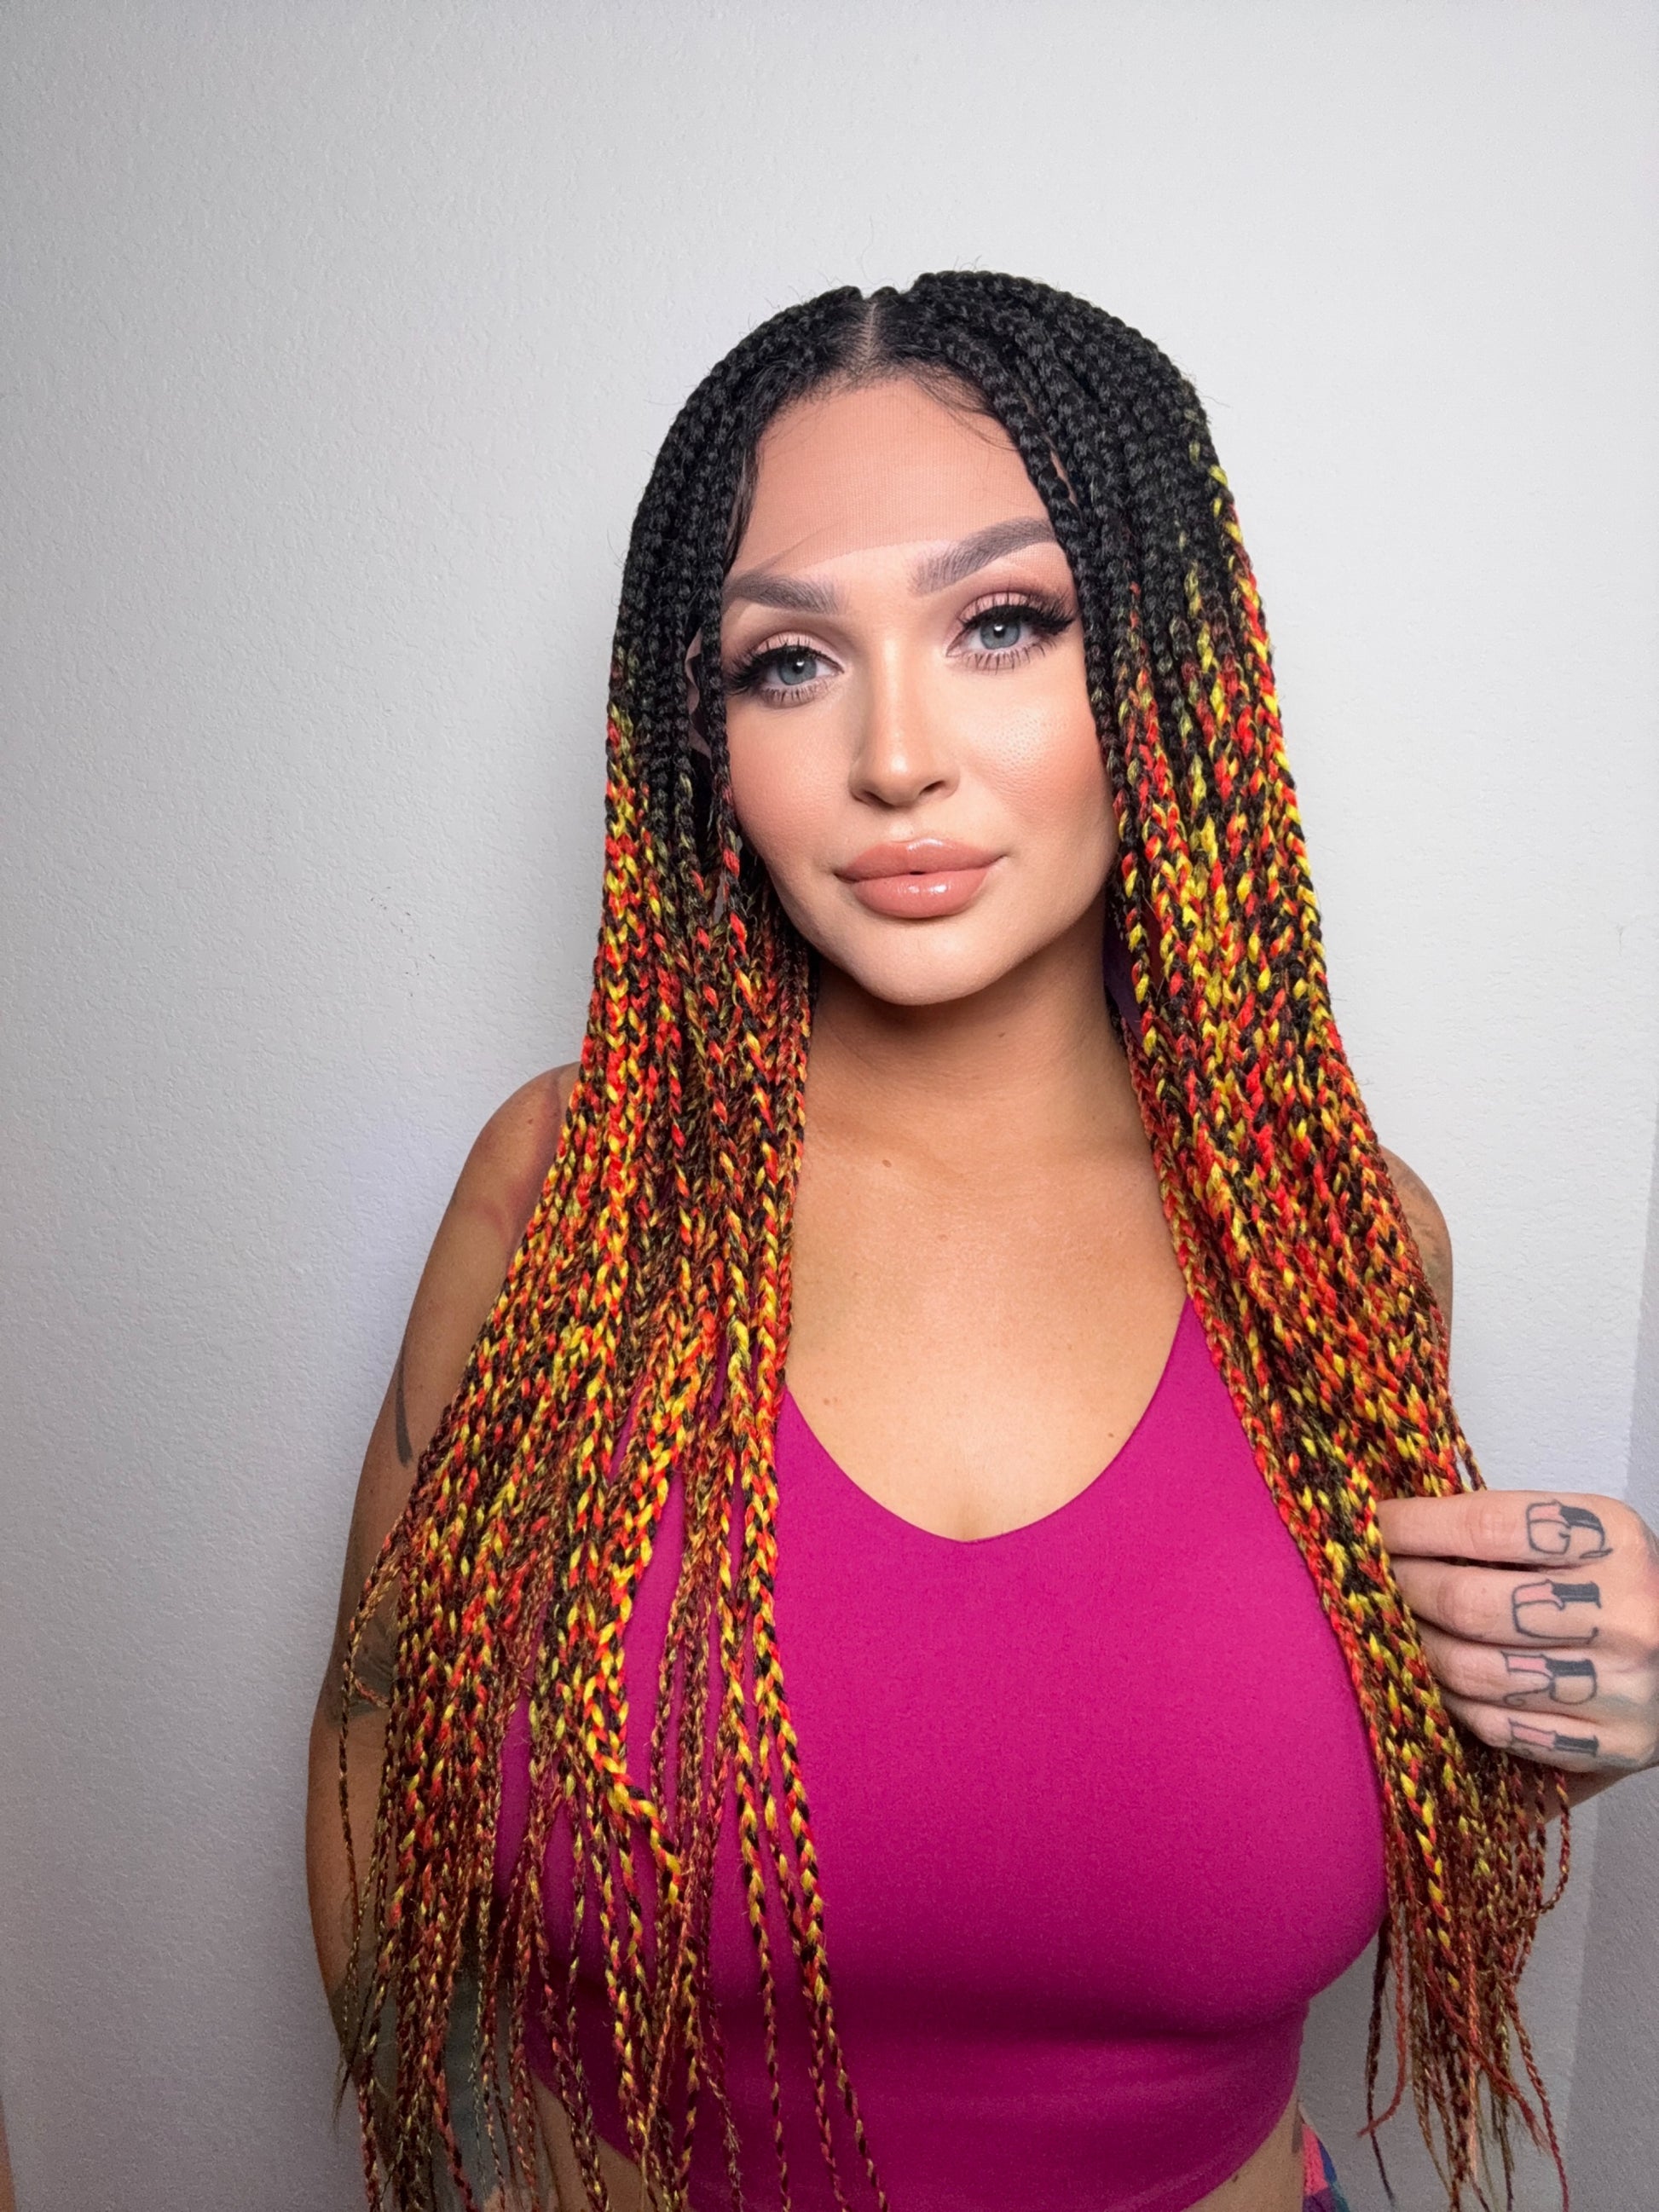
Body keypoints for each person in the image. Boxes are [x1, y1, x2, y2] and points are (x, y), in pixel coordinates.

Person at [304, 274, 1659, 2212]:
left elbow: (1312, 1799)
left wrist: (1556, 1724)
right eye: (789, 661)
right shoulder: (565, 1198)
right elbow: (371, 1748)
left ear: (1168, 671)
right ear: (700, 734)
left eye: (1003, 624)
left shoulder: (1337, 1241)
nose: (894, 756)